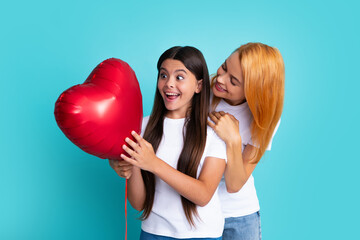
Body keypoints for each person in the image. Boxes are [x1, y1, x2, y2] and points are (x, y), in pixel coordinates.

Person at [109, 46, 227, 240]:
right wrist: (131, 166)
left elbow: (203, 194)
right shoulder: (141, 127)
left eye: (179, 77)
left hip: (203, 235)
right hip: (153, 233)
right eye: (163, 76)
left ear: (198, 86)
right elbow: (138, 204)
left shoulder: (214, 131)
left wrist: (153, 163)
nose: (168, 84)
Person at [207, 42, 285, 240]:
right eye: (224, 66)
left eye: (233, 81)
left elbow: (234, 185)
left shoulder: (263, 118)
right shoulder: (200, 92)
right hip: (198, 213)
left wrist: (233, 139)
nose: (221, 79)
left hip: (239, 218)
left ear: (253, 91)